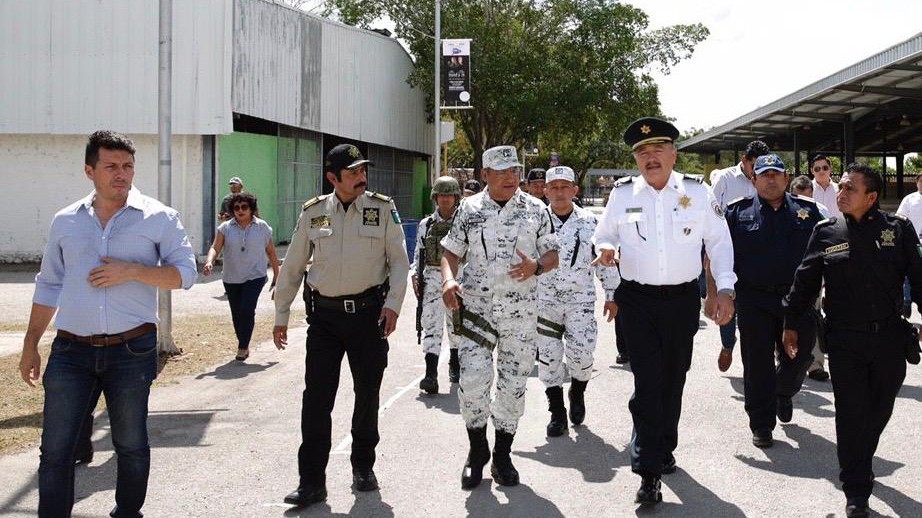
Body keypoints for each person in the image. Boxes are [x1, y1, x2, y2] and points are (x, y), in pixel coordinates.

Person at [18, 130, 197, 518]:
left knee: (130, 445)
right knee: (56, 451)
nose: (122, 174)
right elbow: (48, 282)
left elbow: (186, 274)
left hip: (131, 350)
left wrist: (133, 270)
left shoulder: (159, 217)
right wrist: (31, 342)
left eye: (128, 166)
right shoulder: (65, 221)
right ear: (89, 170)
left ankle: (127, 513)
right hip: (70, 351)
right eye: (111, 166)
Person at [592, 117, 736, 506]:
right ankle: (648, 471)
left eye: (657, 149)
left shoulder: (697, 193)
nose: (649, 157)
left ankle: (662, 446)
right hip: (636, 302)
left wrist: (724, 288)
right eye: (641, 152)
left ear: (673, 154)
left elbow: (719, 243)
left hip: (680, 301)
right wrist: (605, 249)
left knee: (673, 381)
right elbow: (603, 234)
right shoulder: (622, 195)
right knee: (647, 384)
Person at [782, 163, 922, 518]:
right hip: (844, 340)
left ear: (871, 197)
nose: (840, 194)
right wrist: (791, 323)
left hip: (889, 338)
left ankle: (860, 455)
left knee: (879, 409)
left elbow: (920, 280)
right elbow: (805, 281)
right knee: (849, 414)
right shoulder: (827, 232)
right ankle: (856, 489)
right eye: (840, 187)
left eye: (849, 189)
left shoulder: (899, 230)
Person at [273, 144, 409, 507]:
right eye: (352, 172)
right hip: (325, 320)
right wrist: (281, 314)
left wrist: (393, 306)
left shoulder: (382, 209)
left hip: (369, 317)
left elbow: (399, 262)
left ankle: (363, 465)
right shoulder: (314, 213)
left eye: (363, 170)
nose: (361, 176)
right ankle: (311, 481)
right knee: (316, 400)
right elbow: (293, 265)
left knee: (367, 394)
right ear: (333, 177)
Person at [440, 145, 559, 490]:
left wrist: (537, 265)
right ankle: (478, 451)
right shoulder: (469, 209)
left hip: (520, 315)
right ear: (485, 175)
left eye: (515, 170)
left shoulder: (536, 209)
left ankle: (503, 455)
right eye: (502, 171)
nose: (511, 177)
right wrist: (449, 279)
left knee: (513, 385)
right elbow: (450, 251)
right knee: (473, 382)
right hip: (477, 311)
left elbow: (552, 253)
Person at [723, 154, 824, 448]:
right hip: (754, 298)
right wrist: (720, 293)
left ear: (786, 177)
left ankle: (783, 391)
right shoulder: (736, 213)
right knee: (757, 364)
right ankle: (761, 423)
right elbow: (720, 255)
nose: (770, 179)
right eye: (763, 174)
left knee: (802, 355)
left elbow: (826, 250)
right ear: (753, 179)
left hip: (798, 299)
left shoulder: (809, 211)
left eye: (775, 174)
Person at [536, 166, 619, 437]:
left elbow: (604, 259)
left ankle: (578, 391)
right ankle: (557, 411)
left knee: (582, 356)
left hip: (580, 301)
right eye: (554, 187)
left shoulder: (590, 222)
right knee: (548, 359)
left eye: (565, 187)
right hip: (544, 301)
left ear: (575, 190)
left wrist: (611, 294)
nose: (559, 193)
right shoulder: (534, 222)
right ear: (545, 191)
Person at [708, 140, 770, 372]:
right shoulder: (724, 179)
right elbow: (711, 213)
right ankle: (727, 344)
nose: (758, 170)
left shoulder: (767, 179)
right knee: (728, 300)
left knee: (751, 309)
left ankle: (752, 359)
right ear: (744, 160)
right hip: (728, 252)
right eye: (754, 165)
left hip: (757, 254)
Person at [203, 191, 280, 361]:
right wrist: (209, 261)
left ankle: (243, 346)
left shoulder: (262, 227)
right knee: (237, 313)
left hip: (256, 276)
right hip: (231, 277)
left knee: (247, 308)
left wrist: (277, 274)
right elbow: (215, 247)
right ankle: (243, 342)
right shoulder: (225, 228)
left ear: (251, 209)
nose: (240, 210)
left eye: (244, 207)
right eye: (236, 208)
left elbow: (271, 251)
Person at [412, 176, 462, 393]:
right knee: (431, 324)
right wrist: (416, 276)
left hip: (457, 278)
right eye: (441, 195)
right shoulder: (426, 224)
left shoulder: (463, 222)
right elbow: (418, 253)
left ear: (456, 197)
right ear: (435, 197)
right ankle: (430, 374)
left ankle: (455, 363)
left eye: (449, 195)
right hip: (431, 278)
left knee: (456, 325)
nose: (445, 199)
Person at [790, 175, 831, 382]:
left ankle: (815, 364)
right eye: (799, 197)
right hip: (787, 276)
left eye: (808, 198)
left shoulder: (821, 212)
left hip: (813, 276)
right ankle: (786, 359)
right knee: (785, 318)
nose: (803, 202)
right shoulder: (783, 211)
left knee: (813, 318)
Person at [896, 173, 922, 318]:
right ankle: (907, 302)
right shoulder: (909, 199)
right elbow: (900, 218)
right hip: (913, 243)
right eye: (921, 181)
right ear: (917, 183)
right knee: (909, 275)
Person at [810, 154, 843, 219]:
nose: (821, 171)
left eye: (825, 168)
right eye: (817, 169)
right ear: (812, 171)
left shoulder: (840, 190)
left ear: (830, 169)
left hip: (836, 228)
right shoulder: (806, 189)